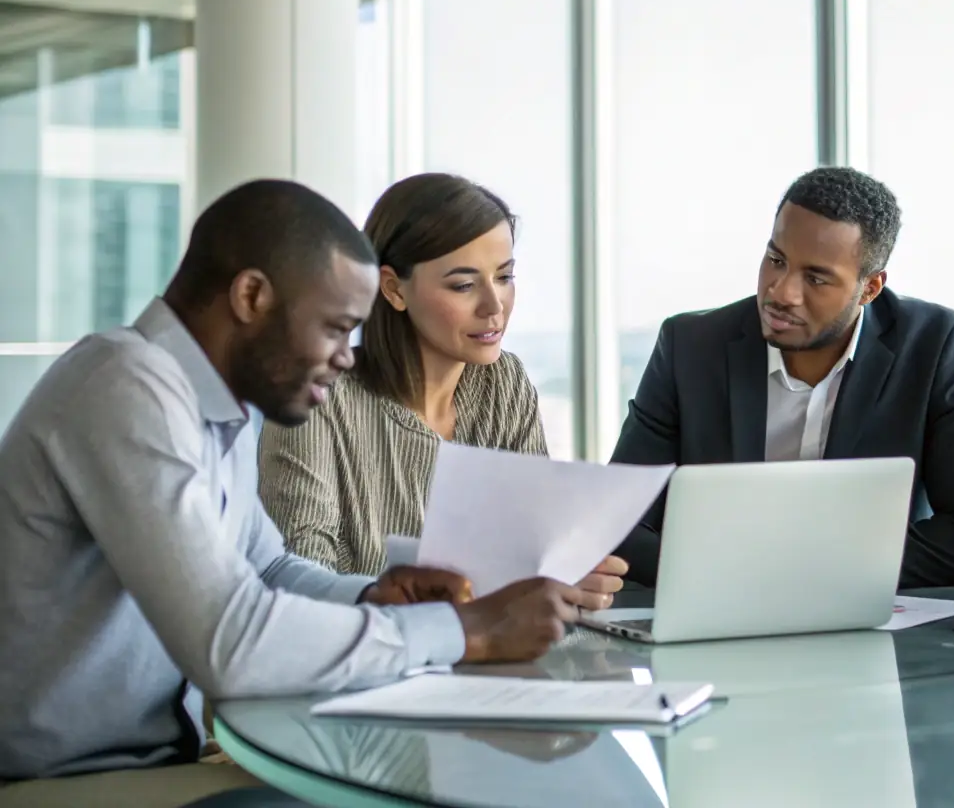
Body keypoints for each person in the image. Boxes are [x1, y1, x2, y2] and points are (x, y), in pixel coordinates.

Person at [0, 180, 615, 806]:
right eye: (334, 327)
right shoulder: (125, 386)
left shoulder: (213, 409)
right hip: (61, 781)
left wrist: (376, 595)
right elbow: (229, 643)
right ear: (251, 297)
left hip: (160, 762)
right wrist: (461, 631)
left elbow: (268, 568)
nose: (346, 357)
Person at [613, 166, 954, 589]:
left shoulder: (933, 346)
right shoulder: (691, 347)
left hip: (867, 618)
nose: (781, 292)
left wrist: (790, 565)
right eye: (776, 260)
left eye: (816, 278)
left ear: (870, 288)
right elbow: (617, 522)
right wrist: (733, 574)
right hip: (714, 607)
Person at [257, 173, 560, 576]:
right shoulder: (319, 397)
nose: (494, 306)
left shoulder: (505, 384)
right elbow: (301, 576)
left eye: (504, 277)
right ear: (394, 289)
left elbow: (530, 548)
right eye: (464, 285)